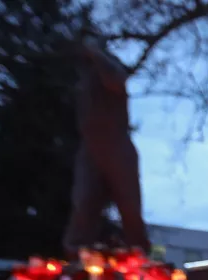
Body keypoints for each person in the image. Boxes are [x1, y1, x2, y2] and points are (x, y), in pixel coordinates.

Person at [63, 35, 151, 258]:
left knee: (129, 205)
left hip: (117, 145)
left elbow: (116, 80)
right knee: (83, 202)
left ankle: (138, 251)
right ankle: (77, 253)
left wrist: (96, 53)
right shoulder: (82, 78)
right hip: (90, 148)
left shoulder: (110, 68)